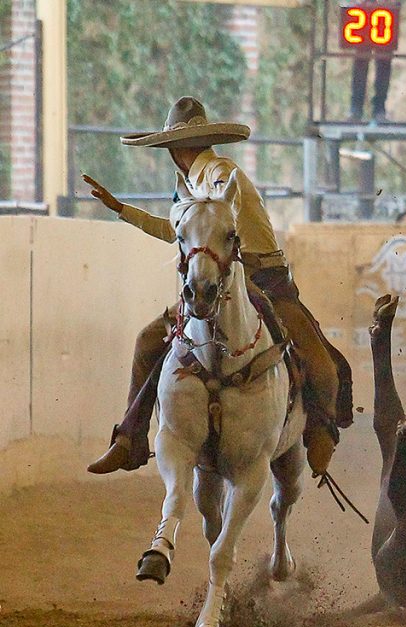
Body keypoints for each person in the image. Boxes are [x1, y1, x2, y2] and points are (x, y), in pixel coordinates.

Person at [83, 97, 351, 477]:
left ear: (178, 148)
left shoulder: (219, 173)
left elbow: (223, 207)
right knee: (151, 342)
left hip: (262, 279)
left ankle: (319, 431)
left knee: (316, 358)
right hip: (215, 282)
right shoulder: (189, 185)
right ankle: (128, 438)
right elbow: (175, 231)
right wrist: (123, 209)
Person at [348, 0, 398, 123]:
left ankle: (379, 109)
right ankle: (356, 109)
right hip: (362, 9)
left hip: (385, 11)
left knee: (384, 61)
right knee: (361, 60)